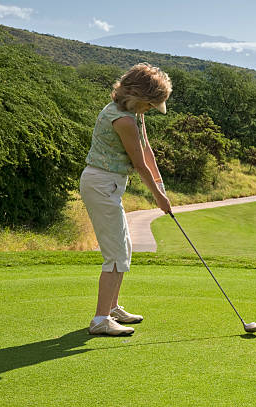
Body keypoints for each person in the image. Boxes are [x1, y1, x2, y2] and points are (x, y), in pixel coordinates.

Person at [80, 63, 172, 336]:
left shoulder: (133, 113)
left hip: (109, 185)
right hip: (100, 184)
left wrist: (162, 187)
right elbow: (139, 164)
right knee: (116, 254)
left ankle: (112, 308)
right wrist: (159, 199)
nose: (149, 110)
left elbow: (148, 152)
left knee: (124, 249)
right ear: (137, 97)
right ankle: (99, 319)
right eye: (149, 105)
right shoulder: (123, 120)